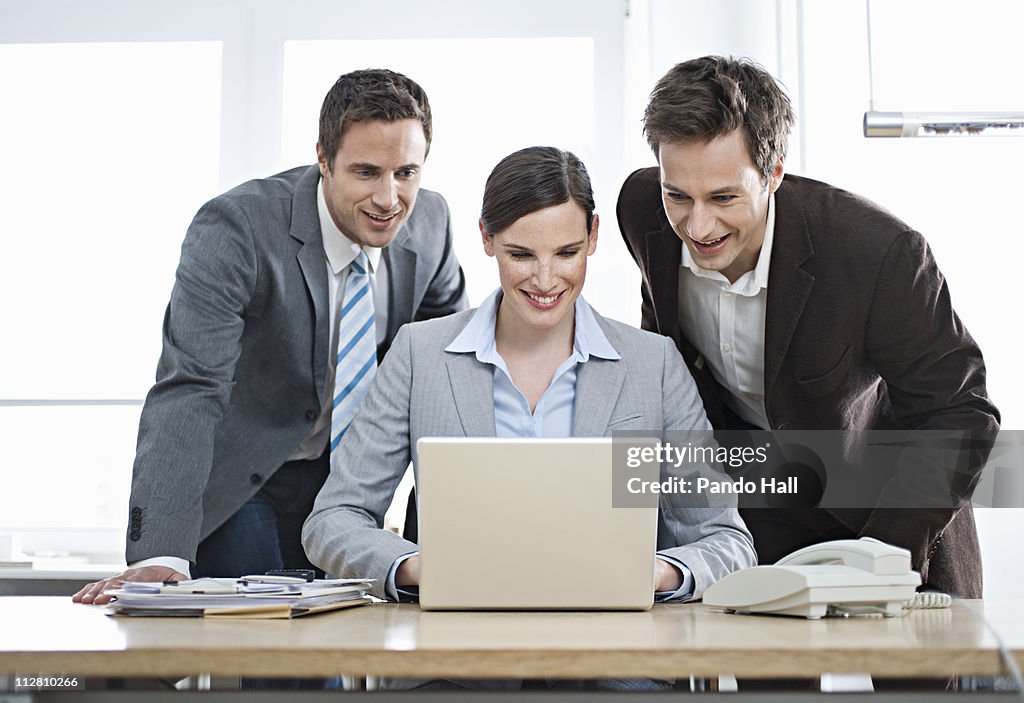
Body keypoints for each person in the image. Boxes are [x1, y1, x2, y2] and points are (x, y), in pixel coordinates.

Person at [73, 69, 467, 604]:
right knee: (279, 650)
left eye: (406, 172)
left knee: (338, 645)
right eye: (366, 172)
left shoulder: (432, 224)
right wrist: (160, 552)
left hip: (342, 487)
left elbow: (450, 376)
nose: (389, 197)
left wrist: (451, 535)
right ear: (323, 160)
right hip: (243, 478)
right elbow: (191, 386)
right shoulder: (237, 228)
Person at [302, 146, 755, 608]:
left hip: (615, 660)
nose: (544, 279)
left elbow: (726, 542)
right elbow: (333, 520)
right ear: (486, 238)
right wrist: (419, 566)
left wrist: (659, 571)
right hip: (456, 659)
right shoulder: (421, 354)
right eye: (520, 254)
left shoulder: (653, 365)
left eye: (566, 253)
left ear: (593, 236)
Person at [617, 55, 1000, 598]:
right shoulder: (642, 210)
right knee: (771, 678)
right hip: (761, 506)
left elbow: (960, 412)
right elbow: (666, 347)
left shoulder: (877, 252)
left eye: (724, 197)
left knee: (915, 680)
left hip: (893, 505)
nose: (697, 226)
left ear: (773, 173)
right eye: (678, 194)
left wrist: (887, 554)